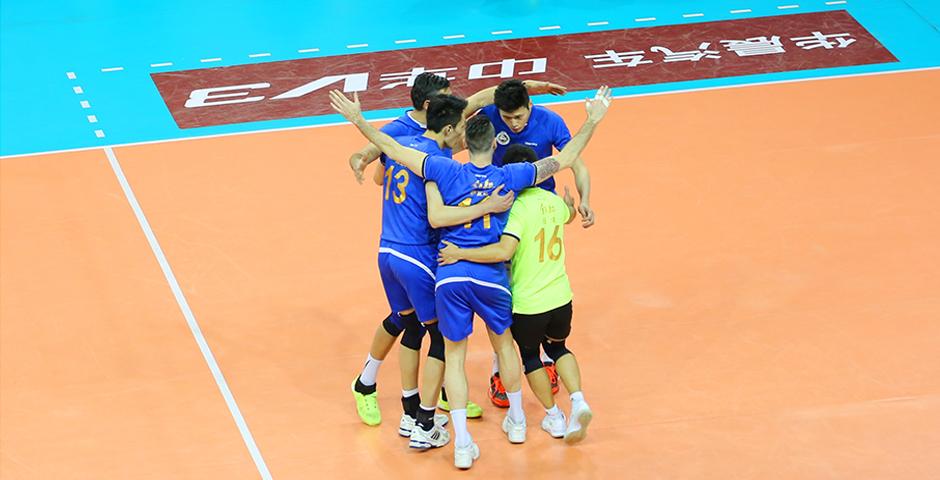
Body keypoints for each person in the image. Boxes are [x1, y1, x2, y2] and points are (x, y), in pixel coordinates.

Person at [328, 85, 612, 469]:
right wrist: (593, 120)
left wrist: (359, 121)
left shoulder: (443, 170)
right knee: (505, 347)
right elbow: (567, 158)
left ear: (466, 142)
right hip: (492, 277)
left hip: (450, 276)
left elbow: (392, 150)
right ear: (493, 143)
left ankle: (460, 442)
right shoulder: (512, 176)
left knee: (453, 356)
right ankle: (516, 422)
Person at [438, 144, 593, 444]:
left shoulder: (514, 210)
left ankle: (554, 417)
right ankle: (578, 401)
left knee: (531, 357)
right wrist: (573, 206)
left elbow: (503, 250)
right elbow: (569, 215)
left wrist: (461, 252)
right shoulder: (552, 202)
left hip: (529, 303)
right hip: (562, 297)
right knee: (559, 349)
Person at [479, 79, 596, 407]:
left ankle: (543, 359)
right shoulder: (489, 116)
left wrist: (585, 199)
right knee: (502, 286)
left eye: (518, 117)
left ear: (529, 107)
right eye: (507, 117)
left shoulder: (550, 121)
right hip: (501, 206)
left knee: (535, 274)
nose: (513, 124)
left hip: (540, 205)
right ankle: (500, 366)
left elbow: (577, 162)